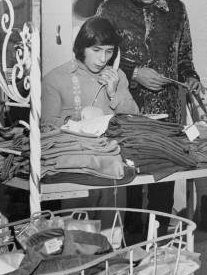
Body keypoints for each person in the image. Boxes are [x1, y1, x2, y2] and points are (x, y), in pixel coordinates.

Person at [97, 0, 201, 238]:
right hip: (127, 109)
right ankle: (132, 249)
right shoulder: (110, 9)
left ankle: (161, 249)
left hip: (169, 113)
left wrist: (190, 77)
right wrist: (133, 72)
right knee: (132, 183)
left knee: (164, 184)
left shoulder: (178, 11)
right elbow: (96, 56)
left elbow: (184, 59)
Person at [42, 16, 140, 228]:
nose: (102, 58)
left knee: (112, 232)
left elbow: (135, 118)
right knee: (77, 234)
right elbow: (46, 125)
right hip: (76, 167)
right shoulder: (55, 78)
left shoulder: (118, 76)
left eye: (109, 51)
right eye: (96, 50)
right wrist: (76, 122)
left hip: (113, 164)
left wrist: (114, 93)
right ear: (82, 47)